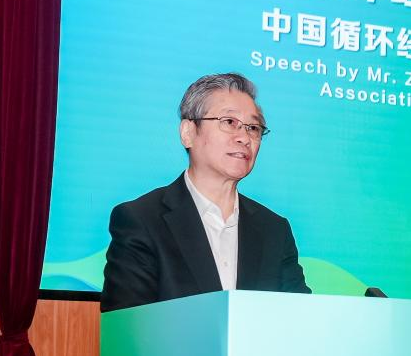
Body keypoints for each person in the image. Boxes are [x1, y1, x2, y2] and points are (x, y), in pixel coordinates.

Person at [100, 73, 310, 312]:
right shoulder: (142, 220)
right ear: (188, 132)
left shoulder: (274, 230)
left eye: (253, 128)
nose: (244, 138)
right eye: (229, 122)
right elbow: (126, 327)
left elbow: (301, 318)